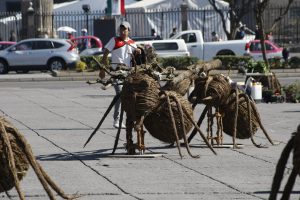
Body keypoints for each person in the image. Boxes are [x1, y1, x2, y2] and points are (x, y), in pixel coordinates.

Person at [100, 21, 141, 129]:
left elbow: (135, 60)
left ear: (129, 30)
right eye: (121, 29)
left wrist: (138, 52)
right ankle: (117, 120)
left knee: (130, 96)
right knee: (119, 94)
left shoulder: (132, 43)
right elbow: (105, 54)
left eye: (125, 29)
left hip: (128, 73)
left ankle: (130, 119)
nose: (123, 31)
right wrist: (103, 69)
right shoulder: (114, 40)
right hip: (116, 72)